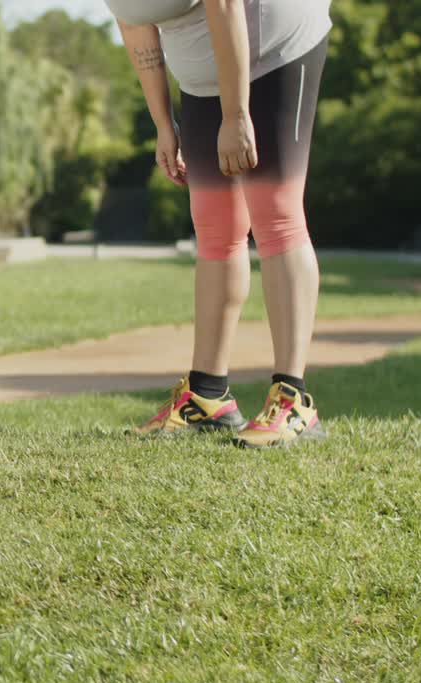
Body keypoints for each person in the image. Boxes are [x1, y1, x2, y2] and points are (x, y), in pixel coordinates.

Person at [105, 0, 333, 448]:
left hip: (273, 44)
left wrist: (236, 115)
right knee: (214, 224)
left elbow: (226, 5)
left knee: (276, 213)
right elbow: (134, 23)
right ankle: (207, 398)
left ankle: (294, 401)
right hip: (204, 70)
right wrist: (162, 124)